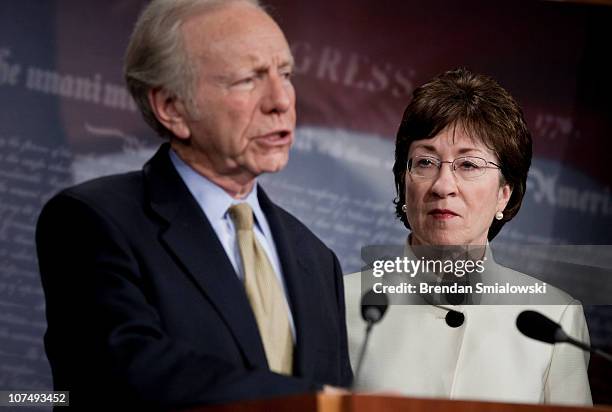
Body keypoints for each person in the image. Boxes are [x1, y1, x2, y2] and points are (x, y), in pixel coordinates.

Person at [36, 0, 351, 409]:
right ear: (171, 107)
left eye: (285, 74)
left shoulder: (317, 260)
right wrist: (308, 401)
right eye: (247, 80)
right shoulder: (93, 221)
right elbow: (123, 374)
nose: (282, 100)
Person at [345, 68, 592, 405]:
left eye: (469, 165)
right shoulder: (337, 302)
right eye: (426, 162)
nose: (443, 186)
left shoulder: (554, 319)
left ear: (504, 193)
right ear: (404, 183)